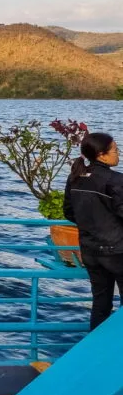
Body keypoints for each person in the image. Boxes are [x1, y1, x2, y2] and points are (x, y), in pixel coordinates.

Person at [62, 132, 123, 330]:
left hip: (90, 250)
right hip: (117, 250)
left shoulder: (75, 178)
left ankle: (97, 353)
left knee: (101, 304)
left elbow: (69, 212)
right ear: (101, 155)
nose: (118, 153)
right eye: (115, 150)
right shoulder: (115, 180)